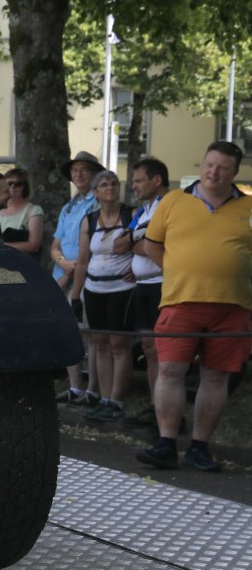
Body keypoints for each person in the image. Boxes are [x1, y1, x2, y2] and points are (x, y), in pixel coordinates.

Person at [134, 141, 252, 472]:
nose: (214, 172)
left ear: (235, 172)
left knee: (216, 378)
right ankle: (166, 443)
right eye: (209, 164)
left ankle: (200, 447)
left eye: (223, 167)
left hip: (233, 307)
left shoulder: (249, 207)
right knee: (170, 371)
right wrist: (178, 271)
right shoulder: (173, 201)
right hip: (181, 302)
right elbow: (152, 245)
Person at [69, 170, 134, 422]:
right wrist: (76, 296)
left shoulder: (130, 215)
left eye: (114, 183)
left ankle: (117, 400)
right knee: (101, 343)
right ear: (96, 192)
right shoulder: (90, 220)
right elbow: (83, 260)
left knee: (119, 344)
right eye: (104, 184)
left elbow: (143, 244)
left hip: (122, 288)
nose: (110, 187)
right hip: (94, 289)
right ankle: (105, 399)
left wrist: (137, 269)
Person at [52, 150, 101, 406]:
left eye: (84, 170)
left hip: (87, 275)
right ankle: (74, 387)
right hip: (63, 273)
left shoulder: (99, 203)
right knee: (69, 332)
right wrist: (63, 263)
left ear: (94, 174)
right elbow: (55, 245)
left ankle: (92, 389)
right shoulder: (68, 207)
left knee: (89, 334)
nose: (78, 174)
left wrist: (73, 269)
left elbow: (96, 244)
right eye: (74, 170)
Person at [125, 158, 170, 425]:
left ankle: (166, 410)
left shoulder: (169, 205)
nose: (134, 186)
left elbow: (163, 245)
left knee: (163, 351)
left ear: (156, 180)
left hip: (161, 284)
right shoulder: (144, 211)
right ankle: (155, 406)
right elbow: (121, 242)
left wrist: (142, 244)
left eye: (138, 180)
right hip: (142, 285)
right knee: (148, 348)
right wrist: (141, 243)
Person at [0, 167, 44, 254]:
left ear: (25, 187)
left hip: (20, 260)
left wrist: (0, 245)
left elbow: (34, 246)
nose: (13, 186)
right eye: (9, 183)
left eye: (18, 184)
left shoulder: (33, 210)